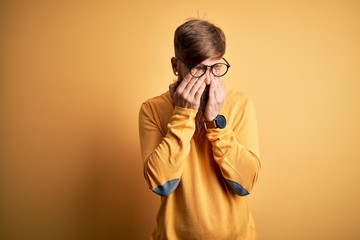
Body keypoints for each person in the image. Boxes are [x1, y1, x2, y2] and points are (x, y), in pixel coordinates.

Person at [138, 18, 261, 240]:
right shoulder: (152, 109)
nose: (207, 80)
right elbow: (161, 184)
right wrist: (183, 114)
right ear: (176, 66)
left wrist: (216, 122)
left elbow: (245, 183)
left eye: (216, 68)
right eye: (198, 69)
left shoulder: (240, 104)